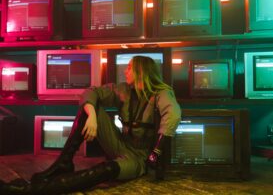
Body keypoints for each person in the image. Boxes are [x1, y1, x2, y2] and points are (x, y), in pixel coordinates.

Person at [0, 55, 181, 195]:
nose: (125, 71)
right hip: (120, 144)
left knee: (106, 170)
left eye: (129, 68)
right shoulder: (124, 90)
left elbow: (172, 114)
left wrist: (156, 152)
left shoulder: (161, 93)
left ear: (141, 72)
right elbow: (91, 92)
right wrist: (93, 116)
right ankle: (64, 162)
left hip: (138, 158)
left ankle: (29, 190)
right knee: (89, 108)